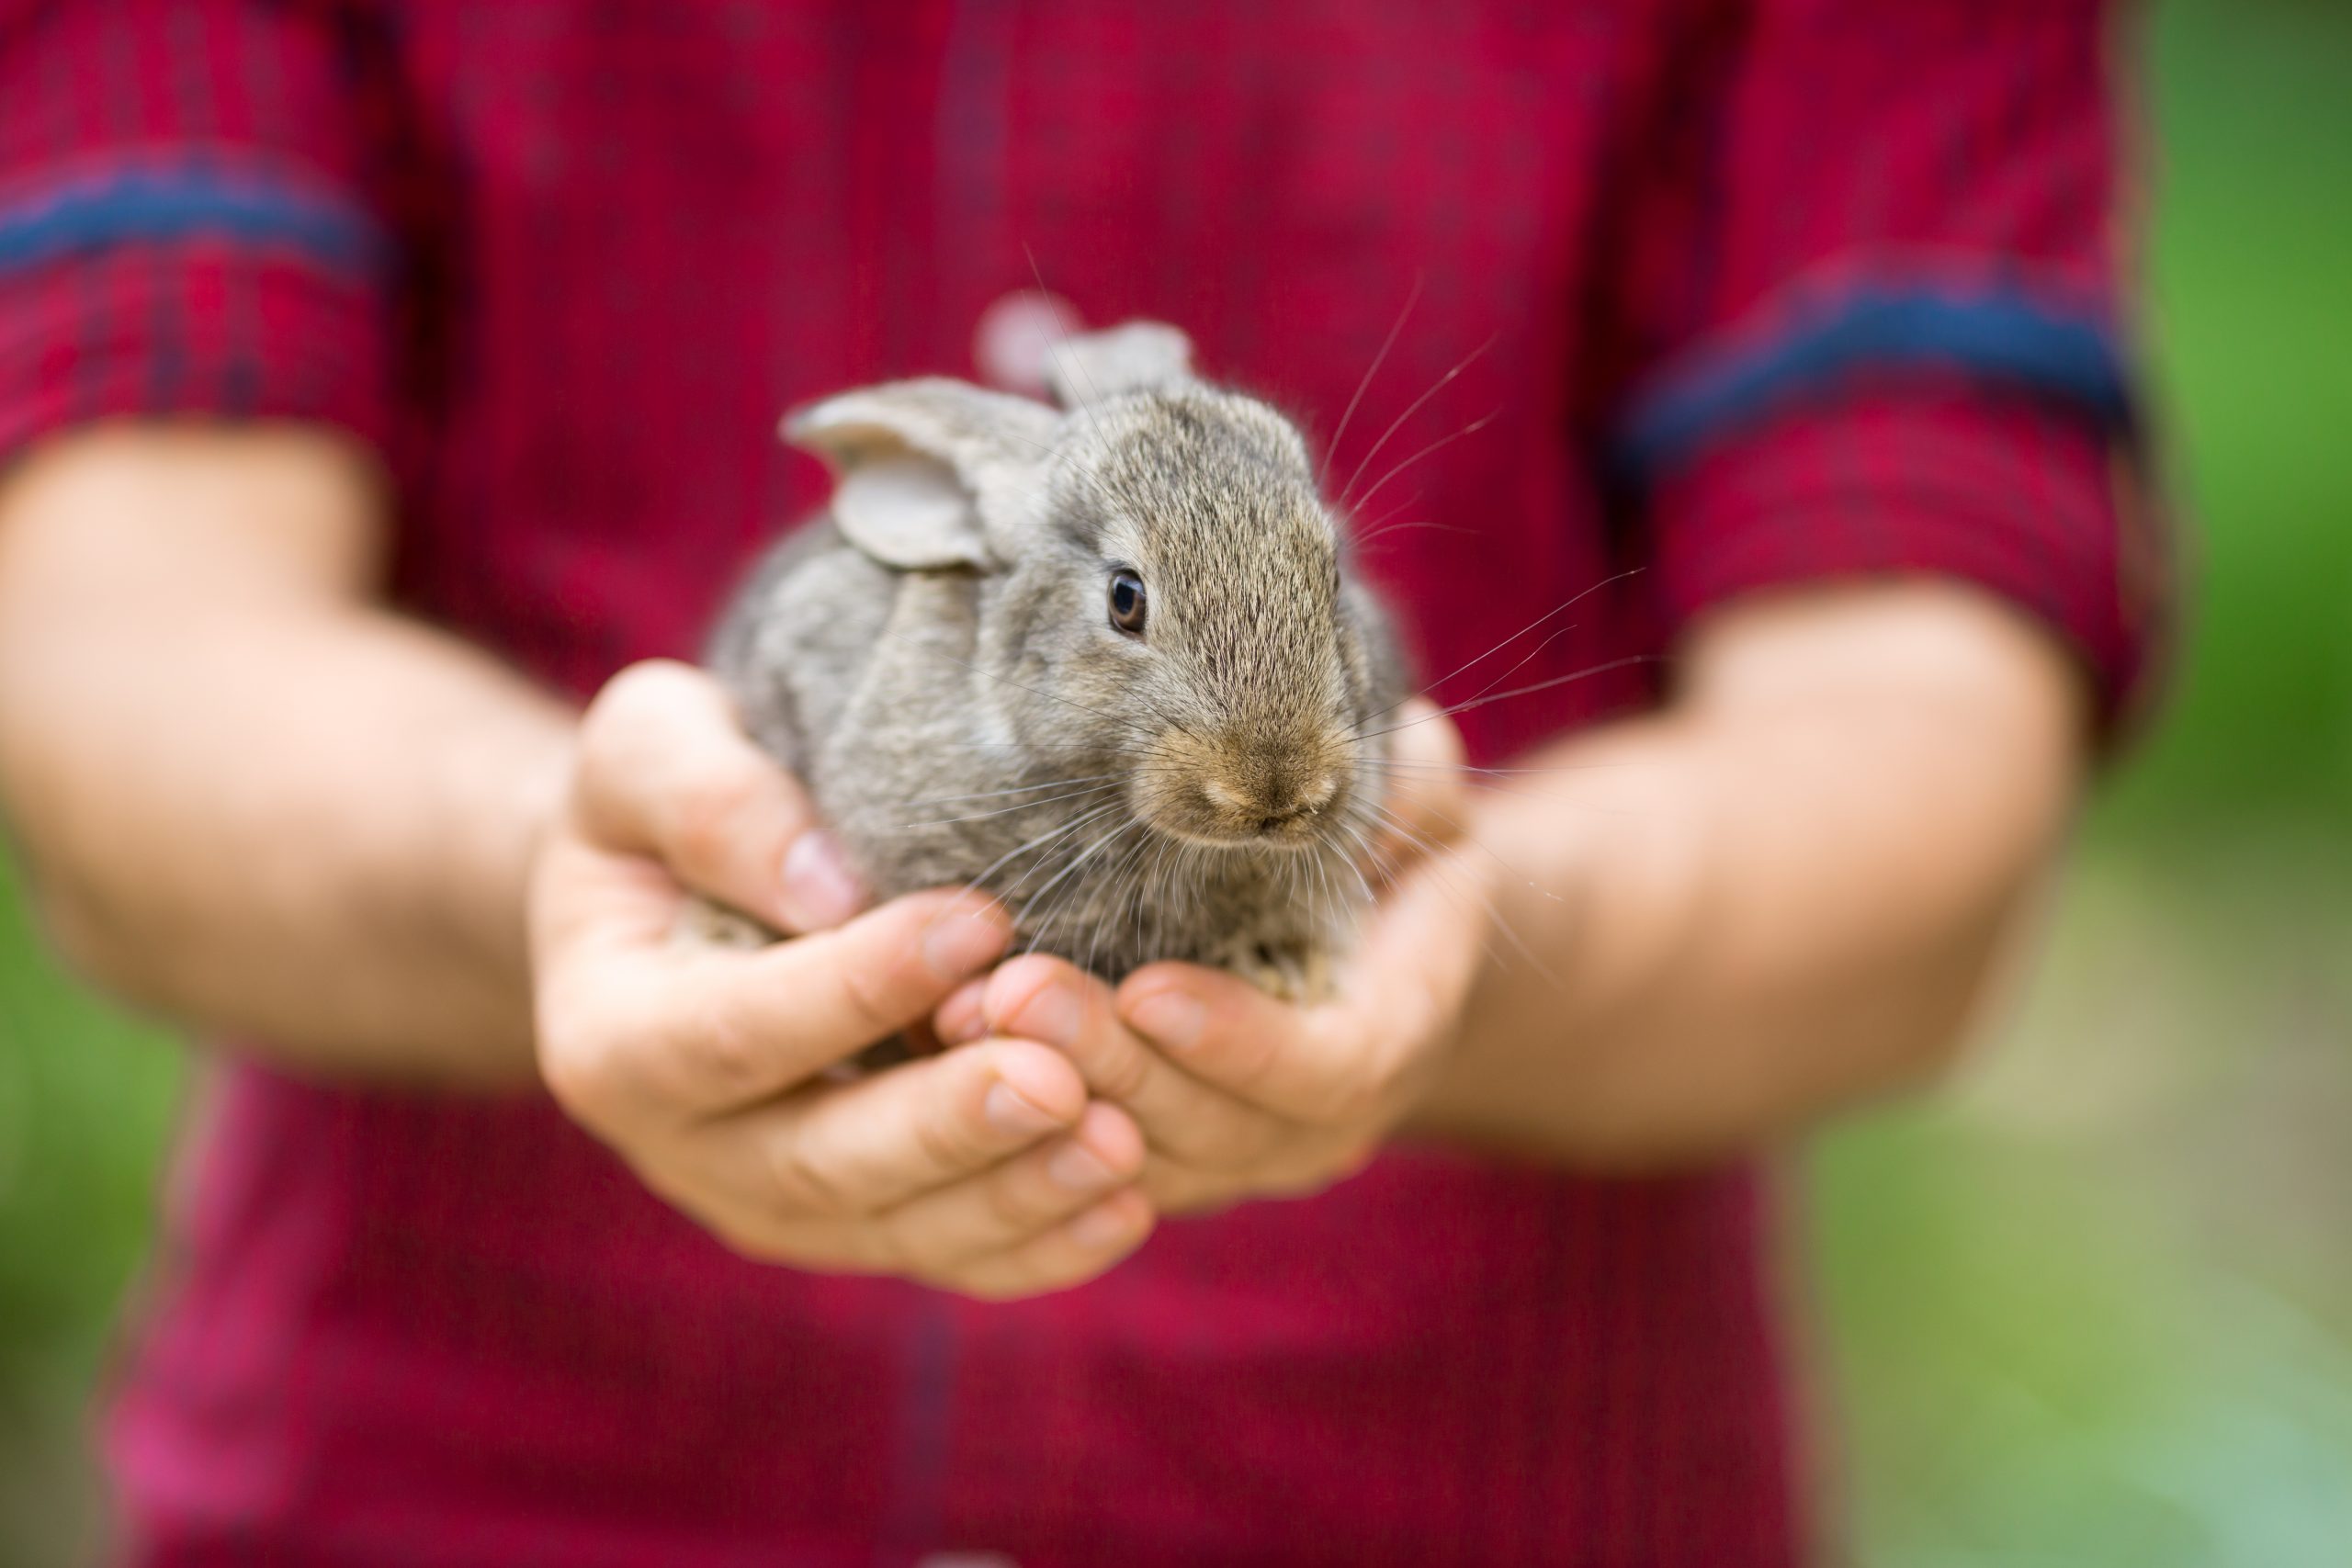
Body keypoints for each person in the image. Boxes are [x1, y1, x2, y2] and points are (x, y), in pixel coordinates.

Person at [0, 3, 2162, 1563]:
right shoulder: (923, 601)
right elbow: (128, 665)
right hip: (464, 1486)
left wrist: (1447, 940)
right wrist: (602, 878)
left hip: (1470, 1487)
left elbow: (1913, 767)